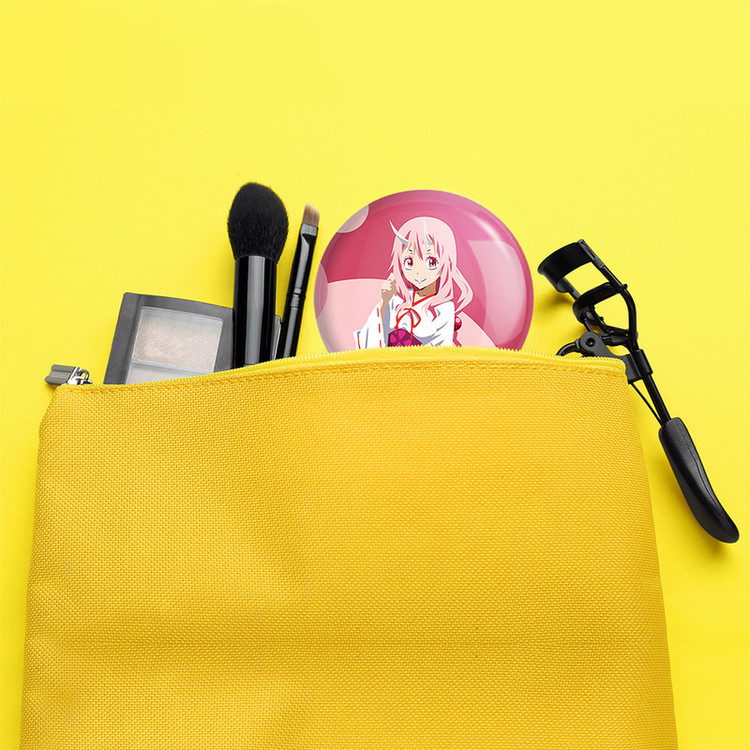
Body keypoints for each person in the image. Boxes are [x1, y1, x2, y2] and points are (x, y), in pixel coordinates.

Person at [354, 216, 472, 348]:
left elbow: (440, 350)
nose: (419, 272)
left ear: (446, 263)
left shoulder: (444, 309)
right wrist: (384, 302)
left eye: (431, 262)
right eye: (409, 262)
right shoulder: (394, 299)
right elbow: (367, 345)